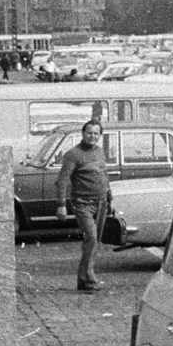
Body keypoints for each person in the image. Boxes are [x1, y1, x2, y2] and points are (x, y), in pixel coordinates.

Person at [55, 120, 111, 291]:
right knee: (92, 238)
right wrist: (61, 204)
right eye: (89, 132)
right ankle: (90, 279)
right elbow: (62, 180)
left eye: (96, 133)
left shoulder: (100, 152)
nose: (92, 136)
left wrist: (110, 198)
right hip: (82, 204)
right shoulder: (73, 154)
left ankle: (83, 279)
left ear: (99, 135)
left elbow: (104, 176)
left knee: (94, 242)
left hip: (101, 203)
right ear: (83, 133)